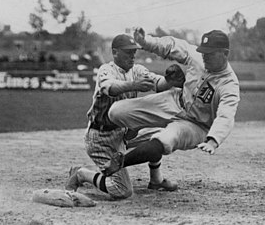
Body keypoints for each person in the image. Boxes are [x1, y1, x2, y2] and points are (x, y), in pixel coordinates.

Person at [101, 27, 240, 185]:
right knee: (116, 112)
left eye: (211, 53)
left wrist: (213, 140)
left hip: (195, 125)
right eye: (204, 52)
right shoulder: (197, 57)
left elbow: (226, 115)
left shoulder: (229, 84)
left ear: (225, 54)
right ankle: (143, 130)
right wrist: (145, 41)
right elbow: (171, 46)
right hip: (174, 101)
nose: (205, 56)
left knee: (164, 141)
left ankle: (120, 162)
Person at [65, 33, 182, 200]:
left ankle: (156, 180)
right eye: (128, 52)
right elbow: (110, 88)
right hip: (101, 138)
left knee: (160, 137)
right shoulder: (106, 70)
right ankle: (81, 174)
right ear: (115, 53)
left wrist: (170, 81)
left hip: (124, 133)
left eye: (134, 51)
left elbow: (158, 83)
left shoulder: (138, 70)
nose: (132, 55)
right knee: (122, 191)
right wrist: (133, 85)